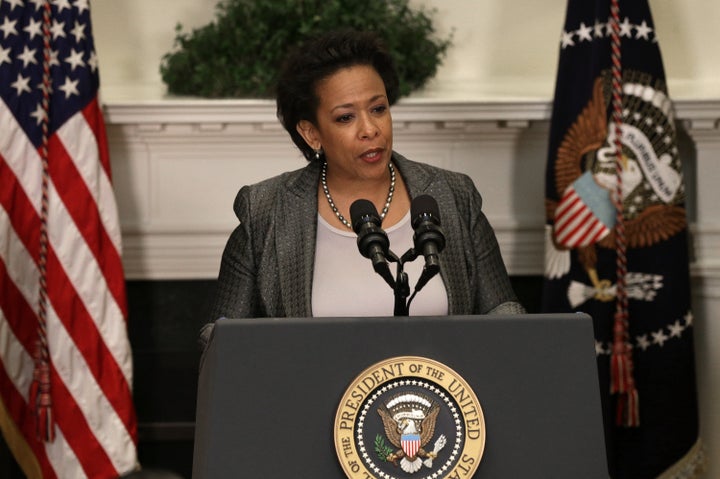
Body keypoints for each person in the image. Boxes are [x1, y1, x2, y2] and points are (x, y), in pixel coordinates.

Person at [205, 29, 524, 338]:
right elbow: (220, 339)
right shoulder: (265, 211)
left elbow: (502, 310)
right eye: (346, 117)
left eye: (378, 109)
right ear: (311, 133)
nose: (370, 129)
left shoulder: (453, 195)